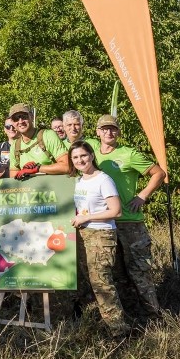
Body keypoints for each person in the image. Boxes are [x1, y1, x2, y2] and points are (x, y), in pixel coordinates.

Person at [94, 114, 166, 321]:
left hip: (130, 222)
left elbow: (158, 173)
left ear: (118, 132)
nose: (109, 132)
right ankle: (131, 316)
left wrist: (142, 196)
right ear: (97, 132)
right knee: (116, 274)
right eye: (104, 129)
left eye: (113, 129)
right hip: (105, 223)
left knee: (139, 271)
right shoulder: (91, 153)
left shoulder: (129, 153)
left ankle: (153, 317)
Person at [69, 141, 130, 337]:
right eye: (75, 157)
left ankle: (119, 330)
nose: (80, 160)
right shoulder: (78, 181)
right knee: (89, 281)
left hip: (101, 235)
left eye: (83, 156)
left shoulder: (103, 179)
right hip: (83, 234)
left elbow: (116, 211)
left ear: (92, 156)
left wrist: (87, 217)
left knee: (102, 282)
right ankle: (97, 322)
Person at [7, 103, 69, 178]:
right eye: (16, 118)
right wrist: (24, 170)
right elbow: (14, 178)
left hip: (53, 187)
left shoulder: (48, 135)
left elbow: (67, 166)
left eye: (24, 117)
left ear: (32, 116)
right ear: (12, 122)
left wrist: (38, 168)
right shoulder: (15, 146)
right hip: (29, 188)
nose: (20, 121)